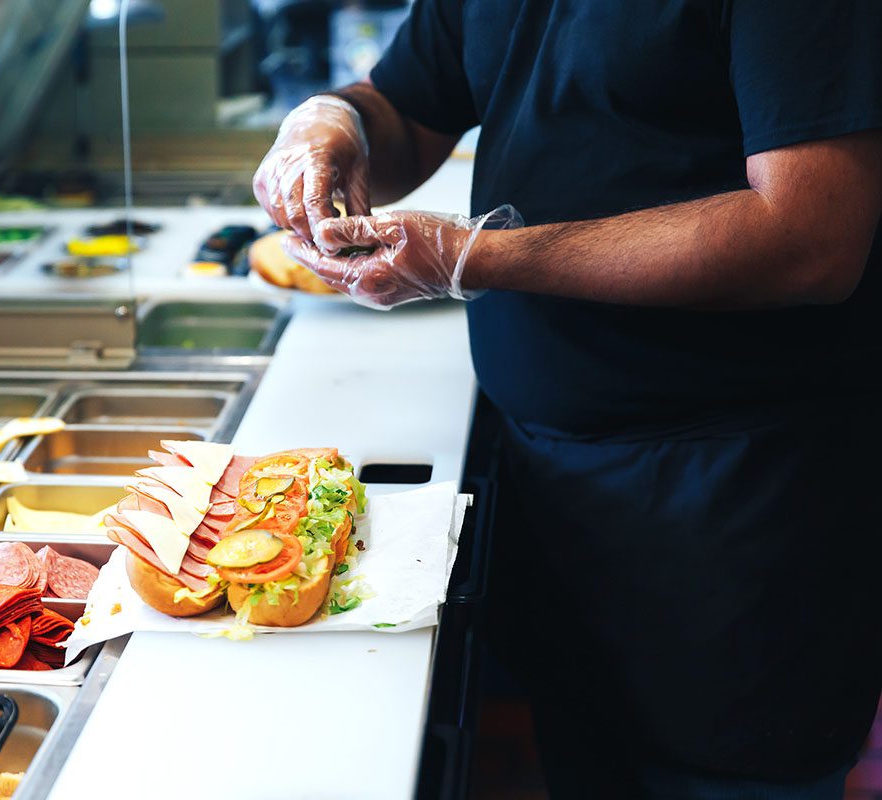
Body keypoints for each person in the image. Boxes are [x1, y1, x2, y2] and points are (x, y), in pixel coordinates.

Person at [252, 1, 882, 797]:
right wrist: (333, 127)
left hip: (735, 497)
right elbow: (408, 113)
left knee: (728, 776)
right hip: (556, 479)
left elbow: (809, 237)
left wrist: (480, 255)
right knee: (587, 759)